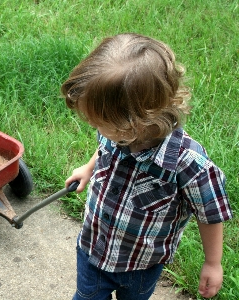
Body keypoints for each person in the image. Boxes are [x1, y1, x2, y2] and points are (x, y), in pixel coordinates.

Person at [61, 33, 233, 300]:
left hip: (141, 265)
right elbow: (104, 148)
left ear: (137, 121)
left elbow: (210, 213)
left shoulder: (188, 165)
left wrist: (213, 262)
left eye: (99, 122)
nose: (94, 127)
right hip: (93, 250)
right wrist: (89, 167)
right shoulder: (115, 132)